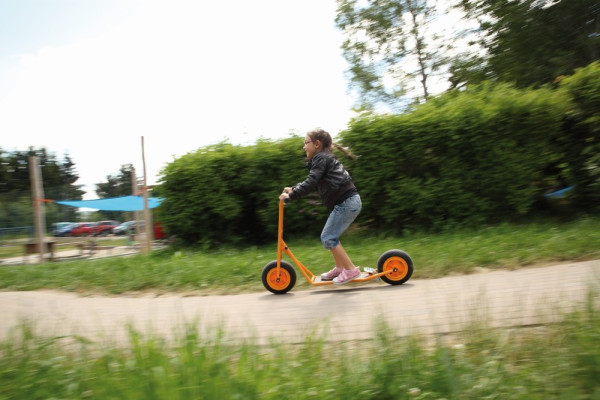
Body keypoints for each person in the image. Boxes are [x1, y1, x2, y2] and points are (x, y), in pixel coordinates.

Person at [279, 128, 362, 285]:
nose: (304, 147)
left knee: (328, 237)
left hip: (346, 202)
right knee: (331, 236)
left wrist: (291, 195)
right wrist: (294, 189)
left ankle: (350, 269)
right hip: (347, 202)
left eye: (306, 143)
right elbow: (314, 182)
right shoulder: (324, 159)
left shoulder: (321, 158)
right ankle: (339, 268)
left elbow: (311, 182)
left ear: (317, 144)